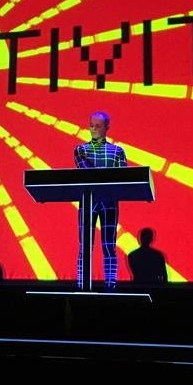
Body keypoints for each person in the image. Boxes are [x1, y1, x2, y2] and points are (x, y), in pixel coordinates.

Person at [74, 111, 127, 290]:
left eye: (98, 126)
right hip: (88, 201)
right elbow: (86, 172)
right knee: (85, 246)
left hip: (110, 201)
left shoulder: (117, 151)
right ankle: (82, 285)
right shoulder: (80, 149)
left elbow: (124, 178)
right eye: (91, 125)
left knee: (109, 245)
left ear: (106, 128)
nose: (94, 129)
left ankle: (111, 285)